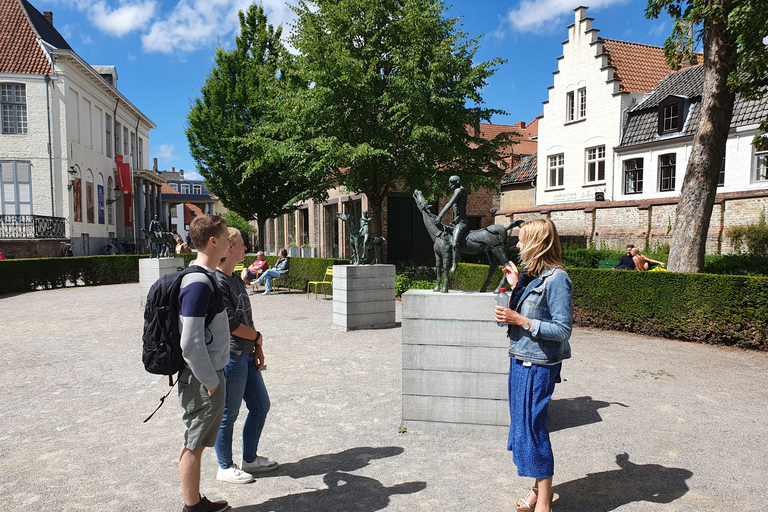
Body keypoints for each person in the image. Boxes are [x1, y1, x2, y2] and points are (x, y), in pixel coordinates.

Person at [494, 219, 573, 512]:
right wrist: (516, 285)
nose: (517, 245)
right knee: (523, 427)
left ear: (537, 243)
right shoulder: (534, 277)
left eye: (522, 239)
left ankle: (544, 502)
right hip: (520, 359)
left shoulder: (557, 280)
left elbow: (563, 330)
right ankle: (538, 490)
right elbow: (528, 308)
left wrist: (520, 320)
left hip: (538, 365)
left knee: (533, 428)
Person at [176, 214, 232, 512]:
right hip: (202, 379)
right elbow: (191, 342)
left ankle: (195, 502)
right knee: (194, 444)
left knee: (195, 442)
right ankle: (193, 507)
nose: (229, 242)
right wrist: (211, 382)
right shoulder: (198, 282)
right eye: (225, 237)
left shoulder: (202, 276)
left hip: (204, 375)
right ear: (213, 241)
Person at [214, 228, 278, 485]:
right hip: (232, 357)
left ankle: (249, 459)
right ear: (229, 248)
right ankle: (225, 466)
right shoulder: (218, 282)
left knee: (261, 407)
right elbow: (231, 324)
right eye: (242, 244)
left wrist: (257, 345)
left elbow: (246, 318)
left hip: (247, 354)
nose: (245, 248)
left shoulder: (235, 279)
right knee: (228, 413)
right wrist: (257, 338)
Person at [436, 175, 468, 273]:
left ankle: (454, 265)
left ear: (457, 182)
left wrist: (440, 216)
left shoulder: (459, 191)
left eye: (452, 182)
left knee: (454, 243)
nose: (450, 185)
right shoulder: (461, 190)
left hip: (461, 223)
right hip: (456, 222)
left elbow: (449, 203)